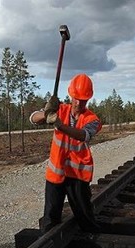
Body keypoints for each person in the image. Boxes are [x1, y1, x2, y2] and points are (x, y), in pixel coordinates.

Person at [30, 73, 102, 233]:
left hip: (78, 175)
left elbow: (84, 135)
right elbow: (33, 118)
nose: (78, 102)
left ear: (88, 98)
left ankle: (91, 237)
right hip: (57, 172)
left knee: (84, 215)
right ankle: (48, 245)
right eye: (76, 98)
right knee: (50, 217)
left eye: (82, 99)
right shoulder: (60, 109)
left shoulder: (93, 119)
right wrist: (46, 113)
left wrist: (60, 125)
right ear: (71, 95)